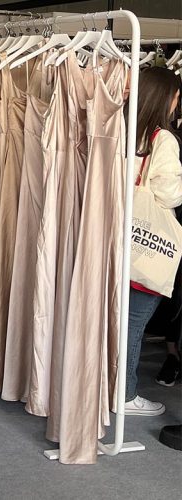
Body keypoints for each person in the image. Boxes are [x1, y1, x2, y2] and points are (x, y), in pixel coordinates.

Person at [124, 67, 182, 416]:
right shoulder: (164, 139)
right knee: (134, 323)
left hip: (114, 236)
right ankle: (126, 395)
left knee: (111, 321)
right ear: (166, 98)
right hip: (147, 243)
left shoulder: (120, 129)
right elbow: (169, 195)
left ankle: (103, 387)